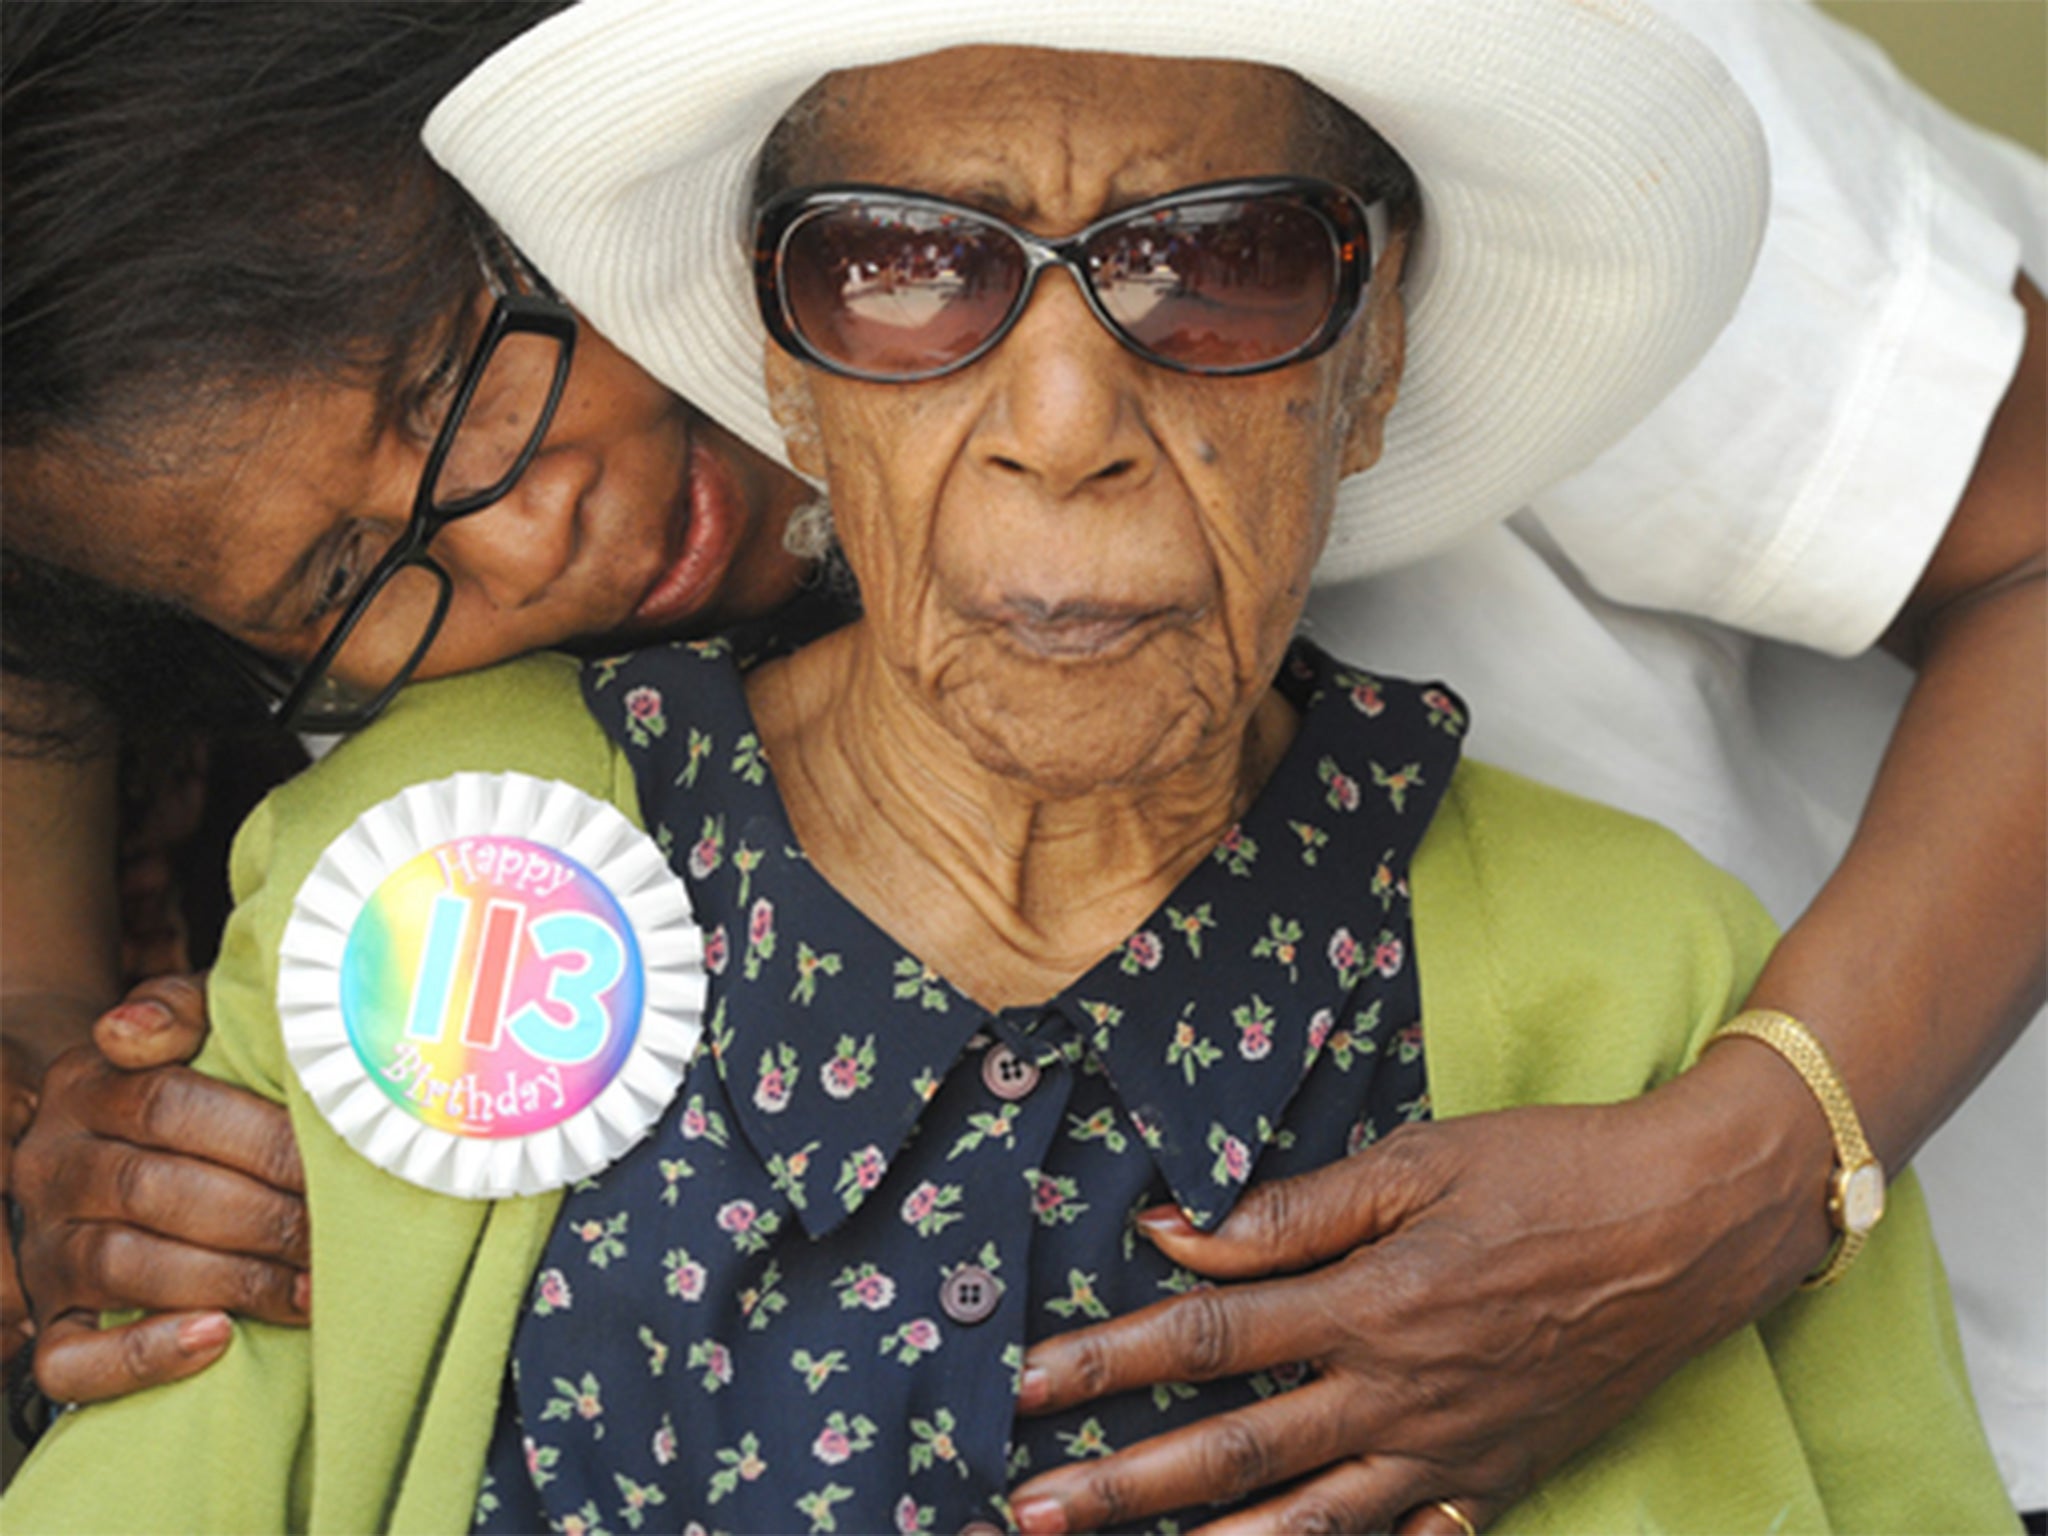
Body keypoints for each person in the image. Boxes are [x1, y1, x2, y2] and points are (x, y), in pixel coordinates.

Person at [2, 0, 2040, 1522]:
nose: (529, 536)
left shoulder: (1471, 82)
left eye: (468, 366)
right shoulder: (439, 829)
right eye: (363, 571)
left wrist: (1748, 1167)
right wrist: (66, 1120)